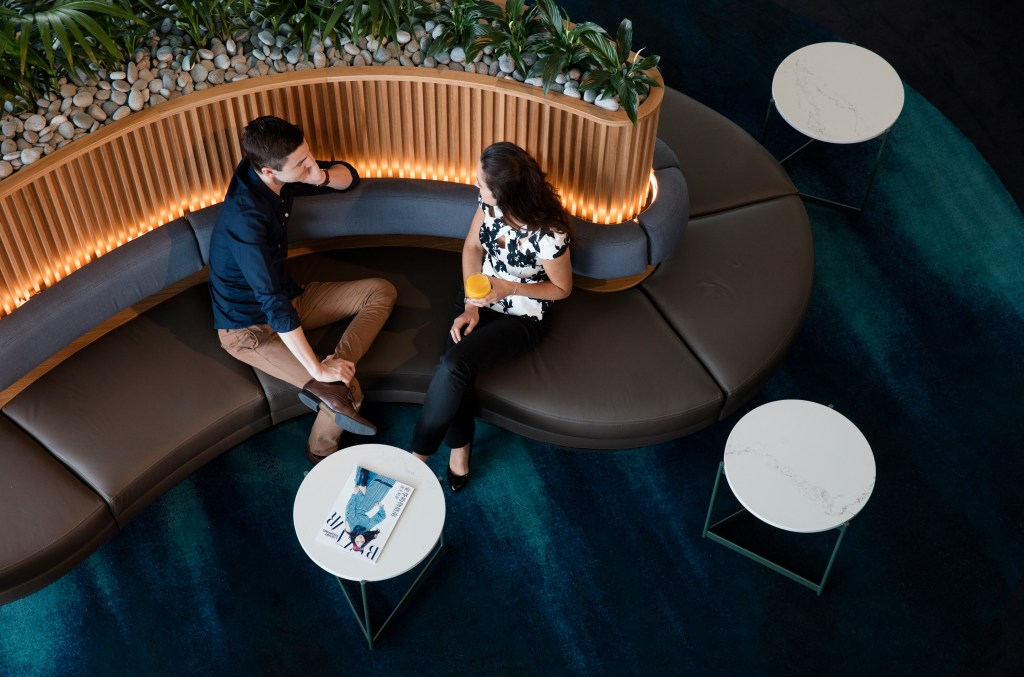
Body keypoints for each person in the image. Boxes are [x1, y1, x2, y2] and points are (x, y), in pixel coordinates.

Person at [209, 116, 397, 464]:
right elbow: (273, 305)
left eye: (308, 156)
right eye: (301, 164)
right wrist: (319, 372)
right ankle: (320, 455)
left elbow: (348, 178)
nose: (309, 164)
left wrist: (318, 175)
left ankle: (338, 365)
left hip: (292, 297)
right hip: (248, 330)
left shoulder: (280, 168)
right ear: (268, 171)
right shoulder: (245, 221)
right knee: (345, 393)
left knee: (380, 291)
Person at [411, 142, 572, 491]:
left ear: (505, 193)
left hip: (523, 315)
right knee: (455, 362)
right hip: (478, 295)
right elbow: (472, 247)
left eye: (482, 184)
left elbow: (561, 289)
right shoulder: (488, 205)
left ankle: (417, 458)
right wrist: (472, 302)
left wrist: (508, 288)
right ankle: (460, 446)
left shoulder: (550, 234)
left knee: (454, 364)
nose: (477, 187)